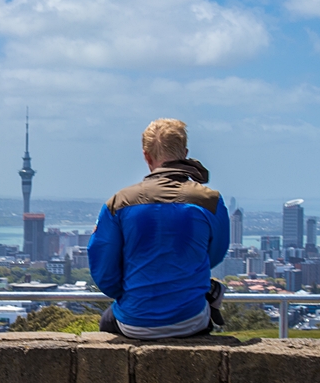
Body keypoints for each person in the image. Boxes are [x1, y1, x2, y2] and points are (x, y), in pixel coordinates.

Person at [88, 118, 229, 339]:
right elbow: (216, 253)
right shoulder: (210, 201)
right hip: (191, 319)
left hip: (134, 321)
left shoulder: (119, 203)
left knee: (107, 320)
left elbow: (103, 269)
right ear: (184, 152)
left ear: (146, 156)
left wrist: (130, 293)